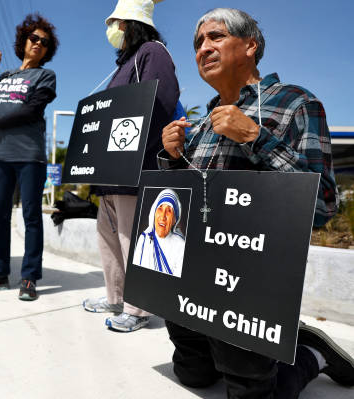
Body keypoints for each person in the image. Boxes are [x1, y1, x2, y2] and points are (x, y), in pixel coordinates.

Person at [160, 8, 353, 396]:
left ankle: (308, 354)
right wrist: (171, 159)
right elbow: (190, 205)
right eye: (198, 42)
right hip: (193, 279)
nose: (203, 48)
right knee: (193, 376)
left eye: (215, 37)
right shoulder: (200, 126)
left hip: (248, 286)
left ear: (250, 45)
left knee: (252, 392)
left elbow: (324, 205)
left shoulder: (297, 102)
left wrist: (255, 137)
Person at [81, 0, 180, 332]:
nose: (111, 29)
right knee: (107, 238)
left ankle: (137, 310)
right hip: (110, 173)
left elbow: (162, 100)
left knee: (130, 238)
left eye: (116, 23)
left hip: (134, 168)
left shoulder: (153, 52)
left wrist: (134, 150)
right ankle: (115, 297)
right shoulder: (121, 66)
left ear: (132, 24)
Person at [0, 13, 59, 301]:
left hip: (29, 156)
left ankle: (29, 277)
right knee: (0, 216)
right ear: (24, 41)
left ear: (47, 50)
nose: (38, 44)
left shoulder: (45, 76)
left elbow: (32, 109)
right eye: (34, 38)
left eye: (44, 42)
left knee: (31, 216)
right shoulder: (7, 76)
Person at [132, 188, 185, 277]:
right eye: (160, 209)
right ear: (154, 213)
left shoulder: (181, 246)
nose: (163, 217)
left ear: (175, 219)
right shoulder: (144, 239)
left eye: (169, 211)